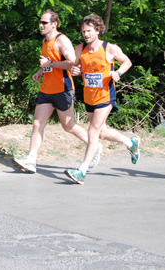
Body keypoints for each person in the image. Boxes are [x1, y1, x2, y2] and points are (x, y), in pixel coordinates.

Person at [13, 10, 101, 173]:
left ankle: (93, 145)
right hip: (47, 89)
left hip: (63, 89)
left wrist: (50, 64)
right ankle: (31, 160)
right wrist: (40, 71)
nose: (41, 25)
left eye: (44, 23)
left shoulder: (62, 41)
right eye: (40, 22)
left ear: (54, 24)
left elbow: (72, 63)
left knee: (68, 126)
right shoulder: (45, 41)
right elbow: (47, 62)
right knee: (37, 123)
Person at [64, 13, 140, 185]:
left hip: (105, 96)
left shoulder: (109, 48)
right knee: (102, 133)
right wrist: (75, 71)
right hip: (89, 96)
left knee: (93, 131)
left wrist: (118, 73)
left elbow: (127, 62)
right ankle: (131, 143)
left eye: (89, 31)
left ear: (98, 30)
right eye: (83, 31)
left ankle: (82, 171)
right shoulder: (80, 48)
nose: (86, 34)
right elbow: (76, 66)